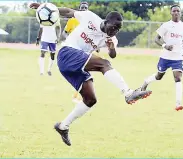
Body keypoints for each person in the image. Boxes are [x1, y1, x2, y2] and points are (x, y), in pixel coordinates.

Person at [30, 3, 152, 146]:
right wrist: (47, 9)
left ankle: (63, 126)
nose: (114, 31)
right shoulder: (90, 17)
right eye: (113, 27)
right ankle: (128, 93)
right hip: (67, 53)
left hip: (75, 67)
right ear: (106, 22)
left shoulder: (112, 39)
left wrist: (111, 47)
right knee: (103, 64)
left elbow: (113, 55)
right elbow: (69, 11)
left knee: (90, 99)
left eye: (118, 29)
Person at [139, 5, 183, 111]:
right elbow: (156, 39)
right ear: (171, 13)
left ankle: (178, 103)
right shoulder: (166, 26)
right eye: (174, 11)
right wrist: (165, 45)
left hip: (178, 57)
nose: (176, 13)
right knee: (159, 76)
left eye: (178, 11)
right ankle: (146, 82)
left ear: (180, 13)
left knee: (178, 78)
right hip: (165, 57)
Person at [60, 1, 90, 102]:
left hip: (85, 50)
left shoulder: (90, 23)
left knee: (84, 72)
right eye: (82, 8)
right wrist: (69, 38)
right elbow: (64, 33)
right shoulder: (72, 21)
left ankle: (79, 95)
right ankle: (79, 95)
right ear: (79, 9)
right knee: (78, 72)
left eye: (85, 8)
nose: (83, 10)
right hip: (73, 49)